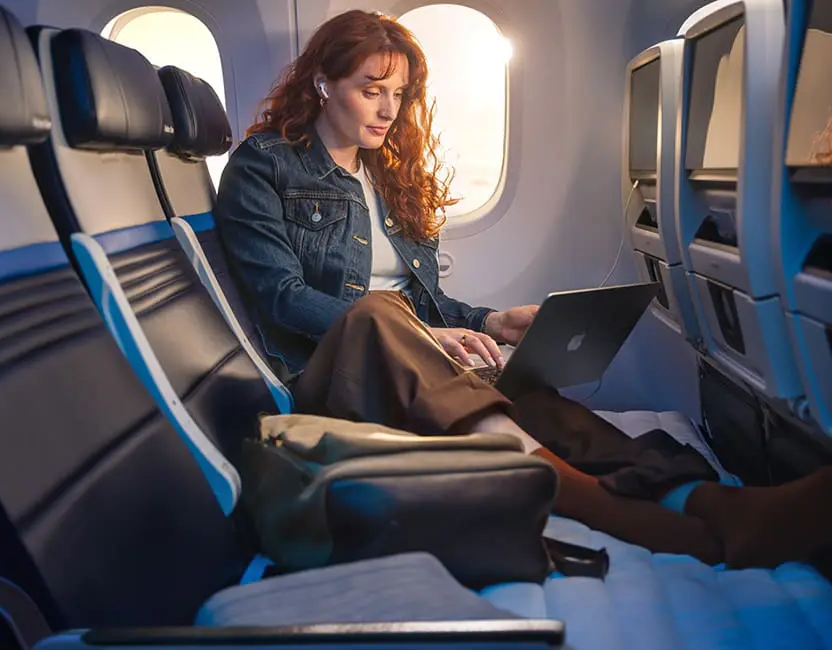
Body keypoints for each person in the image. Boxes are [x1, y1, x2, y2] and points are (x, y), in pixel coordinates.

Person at [214, 9, 832, 571]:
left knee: (525, 391)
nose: (388, 110)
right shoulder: (263, 164)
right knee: (380, 312)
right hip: (327, 380)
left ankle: (711, 504)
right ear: (323, 83)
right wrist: (421, 333)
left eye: (398, 94)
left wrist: (489, 322)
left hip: (402, 357)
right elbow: (283, 298)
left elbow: (425, 304)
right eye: (371, 90)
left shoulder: (386, 172)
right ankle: (600, 506)